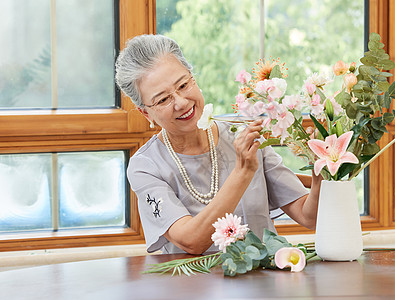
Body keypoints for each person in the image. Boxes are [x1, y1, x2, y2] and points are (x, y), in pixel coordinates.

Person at [115, 34, 322, 255]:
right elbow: (191, 241)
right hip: (193, 287)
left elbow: (308, 216)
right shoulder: (146, 166)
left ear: (193, 78)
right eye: (164, 100)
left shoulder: (244, 136)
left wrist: (321, 173)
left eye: (183, 85)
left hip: (265, 282)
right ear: (146, 113)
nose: (182, 103)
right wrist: (243, 172)